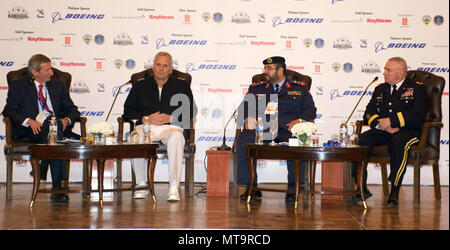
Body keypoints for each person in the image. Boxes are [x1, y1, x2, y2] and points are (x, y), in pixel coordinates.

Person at [236, 56, 317, 202]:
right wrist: (248, 117)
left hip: (289, 129)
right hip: (264, 129)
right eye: (265, 68)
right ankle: (251, 187)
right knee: (244, 139)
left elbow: (310, 110)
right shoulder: (257, 88)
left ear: (280, 70)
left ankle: (295, 187)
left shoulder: (299, 88)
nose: (265, 71)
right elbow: (244, 108)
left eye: (269, 68)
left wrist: (300, 121)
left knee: (299, 141)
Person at [2, 54, 80, 202]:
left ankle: (45, 168)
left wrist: (66, 120)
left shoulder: (58, 86)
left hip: (55, 128)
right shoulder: (19, 86)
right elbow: (9, 111)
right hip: (30, 131)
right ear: (35, 72)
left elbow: (73, 109)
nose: (52, 73)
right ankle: (58, 187)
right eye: (47, 70)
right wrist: (28, 121)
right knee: (55, 131)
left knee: (54, 127)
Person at [123, 51, 197, 201]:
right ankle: (141, 185)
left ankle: (174, 187)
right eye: (158, 65)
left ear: (171, 69)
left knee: (177, 137)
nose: (161, 69)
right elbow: (127, 111)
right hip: (146, 127)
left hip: (170, 127)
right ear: (153, 67)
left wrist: (171, 117)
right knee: (135, 138)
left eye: (165, 66)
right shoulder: (140, 86)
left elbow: (191, 110)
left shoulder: (181, 85)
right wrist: (145, 118)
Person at [352, 57, 426, 207]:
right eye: (385, 69)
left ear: (401, 73)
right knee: (359, 141)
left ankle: (394, 191)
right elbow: (368, 113)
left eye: (388, 70)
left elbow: (417, 114)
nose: (384, 73)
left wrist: (391, 121)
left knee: (398, 143)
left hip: (408, 131)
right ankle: (361, 187)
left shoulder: (417, 88)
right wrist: (381, 126)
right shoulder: (381, 88)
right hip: (383, 130)